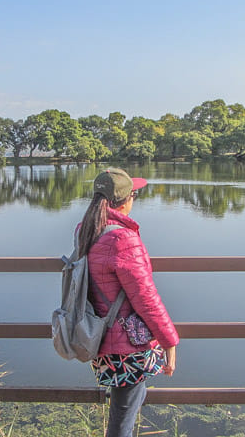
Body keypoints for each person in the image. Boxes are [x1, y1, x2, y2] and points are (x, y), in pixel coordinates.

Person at [77, 168, 179, 437]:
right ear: (125, 201)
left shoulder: (87, 230)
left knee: (126, 408)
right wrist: (169, 341)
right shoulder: (122, 238)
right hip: (127, 346)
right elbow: (145, 297)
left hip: (100, 336)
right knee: (123, 418)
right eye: (134, 194)